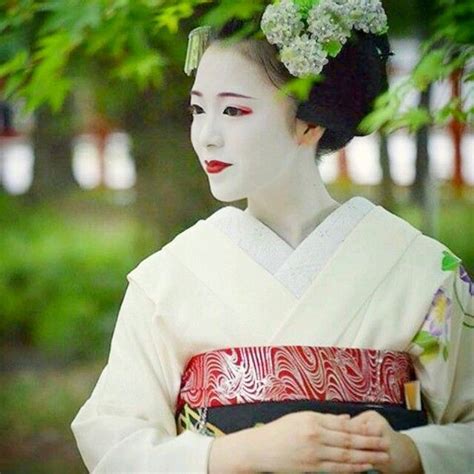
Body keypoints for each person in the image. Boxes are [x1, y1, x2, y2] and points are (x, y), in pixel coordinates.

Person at [71, 1, 474, 472]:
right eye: (198, 109)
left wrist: (412, 452)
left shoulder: (422, 269)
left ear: (310, 120)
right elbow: (113, 434)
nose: (207, 136)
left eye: (234, 110)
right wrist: (233, 454)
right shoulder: (167, 278)